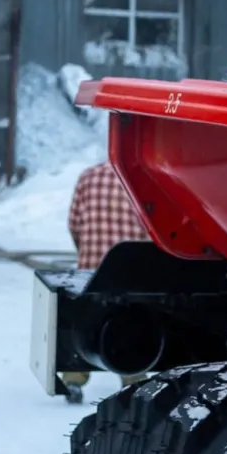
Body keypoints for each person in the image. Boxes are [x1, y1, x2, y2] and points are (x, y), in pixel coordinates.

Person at [58, 161, 153, 400]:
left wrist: (86, 252)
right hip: (132, 268)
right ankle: (133, 378)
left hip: (92, 269)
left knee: (85, 321)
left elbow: (74, 223)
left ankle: (74, 379)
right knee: (132, 322)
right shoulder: (143, 177)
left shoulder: (89, 176)